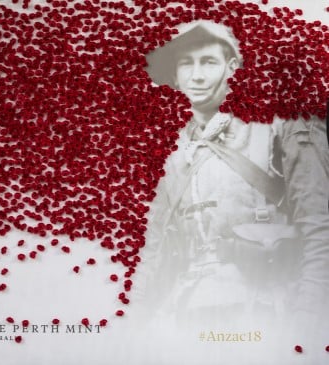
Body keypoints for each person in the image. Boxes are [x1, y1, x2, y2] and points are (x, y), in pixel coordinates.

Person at [135, 20, 329, 332]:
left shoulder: (280, 128)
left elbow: (321, 234)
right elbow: (153, 251)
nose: (196, 75)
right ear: (175, 74)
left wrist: (305, 328)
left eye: (209, 62)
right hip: (185, 315)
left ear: (232, 67)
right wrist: (128, 328)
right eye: (187, 64)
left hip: (267, 312)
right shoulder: (172, 152)